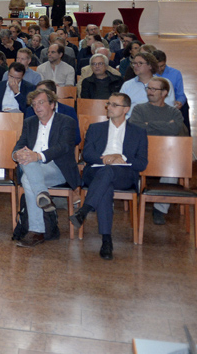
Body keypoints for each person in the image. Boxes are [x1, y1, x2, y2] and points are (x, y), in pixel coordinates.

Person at [71, 92, 147, 259]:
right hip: (96, 171)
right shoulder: (95, 128)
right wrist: (104, 158)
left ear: (126, 109)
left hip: (123, 174)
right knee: (105, 179)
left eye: (114, 105)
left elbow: (142, 163)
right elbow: (87, 155)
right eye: (108, 104)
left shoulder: (138, 132)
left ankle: (85, 210)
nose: (109, 107)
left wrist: (122, 158)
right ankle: (106, 240)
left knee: (107, 175)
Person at [12, 88, 80, 248]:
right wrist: (16, 155)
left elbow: (63, 147)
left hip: (58, 169)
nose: (37, 107)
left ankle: (37, 230)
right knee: (28, 167)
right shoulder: (29, 122)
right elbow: (20, 144)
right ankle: (42, 198)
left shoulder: (66, 121)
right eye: (34, 104)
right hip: (32, 167)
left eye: (41, 102)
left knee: (27, 177)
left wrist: (38, 156)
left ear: (52, 104)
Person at [129, 77, 188, 226]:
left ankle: (159, 209)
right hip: (142, 154)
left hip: (166, 156)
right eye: (148, 88)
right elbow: (136, 128)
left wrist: (149, 124)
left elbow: (175, 129)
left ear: (164, 93)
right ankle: (135, 201)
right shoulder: (139, 109)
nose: (149, 92)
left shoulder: (174, 112)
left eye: (154, 89)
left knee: (172, 169)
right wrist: (165, 126)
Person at [153, 50, 190, 134]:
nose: (159, 69)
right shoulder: (150, 74)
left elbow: (180, 94)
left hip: (172, 107)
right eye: (157, 66)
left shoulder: (176, 73)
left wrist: (180, 102)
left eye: (162, 66)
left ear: (165, 62)